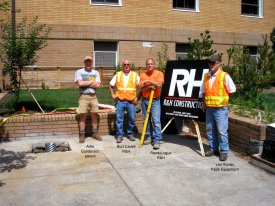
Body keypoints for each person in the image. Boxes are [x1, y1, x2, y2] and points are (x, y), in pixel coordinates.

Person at [202, 55, 236, 161]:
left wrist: (224, 101)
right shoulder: (206, 76)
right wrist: (204, 103)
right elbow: (203, 91)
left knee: (222, 131)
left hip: (220, 109)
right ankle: (213, 149)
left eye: (213, 63)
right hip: (209, 108)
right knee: (210, 130)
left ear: (219, 63)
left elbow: (232, 90)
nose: (211, 65)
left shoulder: (224, 76)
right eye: (209, 63)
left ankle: (224, 151)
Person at [109, 59, 140, 143]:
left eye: (128, 64)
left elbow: (142, 87)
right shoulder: (118, 74)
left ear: (130, 65)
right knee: (119, 119)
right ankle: (119, 135)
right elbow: (111, 85)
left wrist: (138, 98)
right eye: (124, 64)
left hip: (131, 102)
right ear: (122, 66)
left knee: (132, 119)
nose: (126, 66)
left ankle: (130, 133)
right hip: (120, 101)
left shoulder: (135, 75)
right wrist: (112, 95)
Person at [75, 56, 102, 143]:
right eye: (86, 61)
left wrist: (85, 83)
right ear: (84, 62)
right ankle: (82, 135)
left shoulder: (96, 72)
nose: (88, 63)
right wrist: (91, 82)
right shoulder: (79, 72)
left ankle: (94, 133)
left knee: (94, 115)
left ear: (91, 62)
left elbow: (98, 85)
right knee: (82, 116)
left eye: (89, 61)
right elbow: (79, 83)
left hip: (93, 97)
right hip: (84, 96)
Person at [139, 58, 164, 149]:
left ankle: (157, 140)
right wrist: (149, 86)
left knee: (156, 121)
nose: (149, 65)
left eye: (151, 64)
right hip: (145, 100)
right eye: (148, 64)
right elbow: (141, 89)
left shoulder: (159, 74)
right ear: (146, 65)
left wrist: (148, 82)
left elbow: (159, 85)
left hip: (155, 100)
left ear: (154, 64)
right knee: (146, 120)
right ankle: (149, 137)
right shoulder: (143, 75)